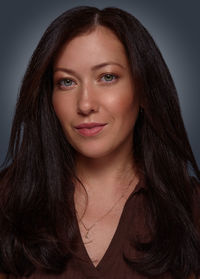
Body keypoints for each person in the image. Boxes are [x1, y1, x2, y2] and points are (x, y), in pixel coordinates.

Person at [0, 5, 199, 279]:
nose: (85, 104)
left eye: (107, 77)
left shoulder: (191, 208)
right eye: (67, 82)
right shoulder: (8, 200)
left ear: (143, 90)